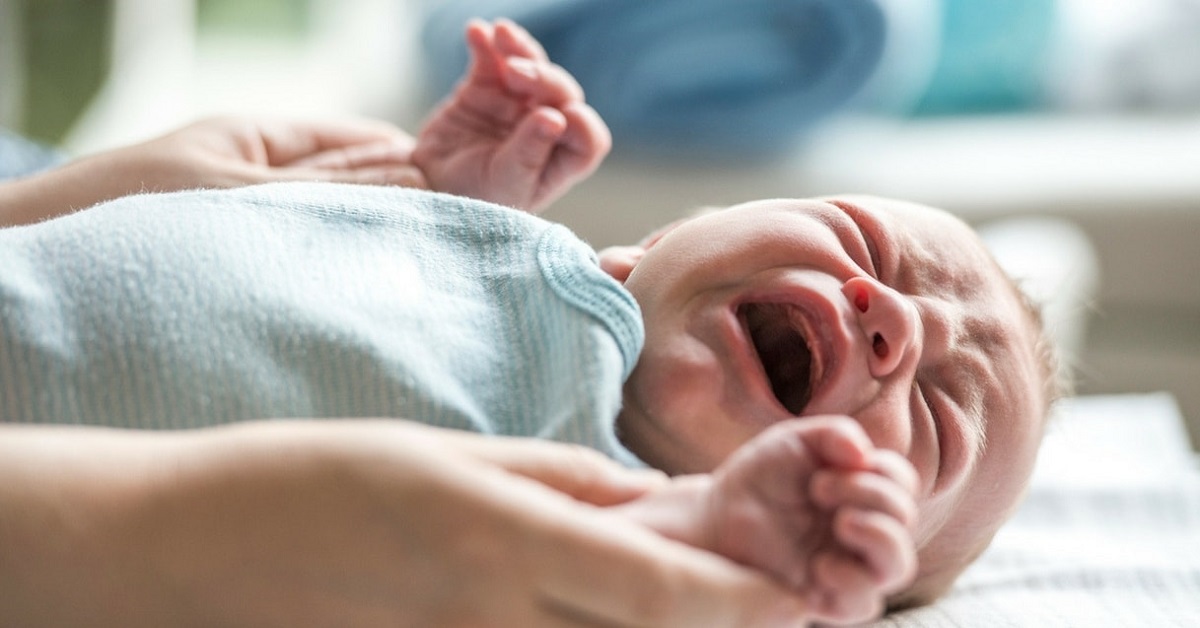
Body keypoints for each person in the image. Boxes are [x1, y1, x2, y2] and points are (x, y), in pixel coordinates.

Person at [0, 18, 1054, 627]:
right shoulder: (500, 246)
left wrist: (755, 554)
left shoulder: (609, 536)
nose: (893, 328)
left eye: (937, 417)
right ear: (642, 251)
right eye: (864, 247)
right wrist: (414, 192)